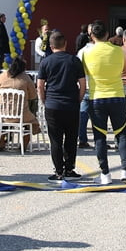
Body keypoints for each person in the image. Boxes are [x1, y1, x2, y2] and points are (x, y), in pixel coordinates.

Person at [82, 21, 126, 184]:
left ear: (91, 36)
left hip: (96, 97)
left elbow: (84, 74)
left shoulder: (85, 53)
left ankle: (105, 173)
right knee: (122, 133)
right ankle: (125, 170)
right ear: (107, 34)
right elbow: (121, 69)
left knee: (99, 136)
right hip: (117, 95)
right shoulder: (119, 51)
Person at [36, 30, 86, 180]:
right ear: (65, 44)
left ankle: (58, 171)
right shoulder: (74, 60)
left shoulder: (46, 62)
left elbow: (40, 85)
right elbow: (83, 84)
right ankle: (70, 169)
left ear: (51, 46)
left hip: (53, 104)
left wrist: (44, 100)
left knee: (55, 140)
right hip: (71, 104)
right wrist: (79, 98)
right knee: (71, 138)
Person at [0, 56, 40, 150]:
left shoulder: (2, 76)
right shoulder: (25, 78)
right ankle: (23, 145)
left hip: (3, 115)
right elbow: (33, 96)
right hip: (21, 115)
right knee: (33, 124)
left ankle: (0, 137)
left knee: (4, 122)